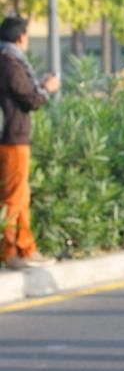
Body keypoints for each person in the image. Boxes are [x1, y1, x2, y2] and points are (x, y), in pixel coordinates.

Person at [0, 16, 60, 270]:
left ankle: (25, 249)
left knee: (21, 195)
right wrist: (47, 88)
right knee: (14, 197)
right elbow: (30, 99)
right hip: (12, 139)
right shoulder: (9, 62)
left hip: (12, 137)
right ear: (21, 37)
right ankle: (10, 252)